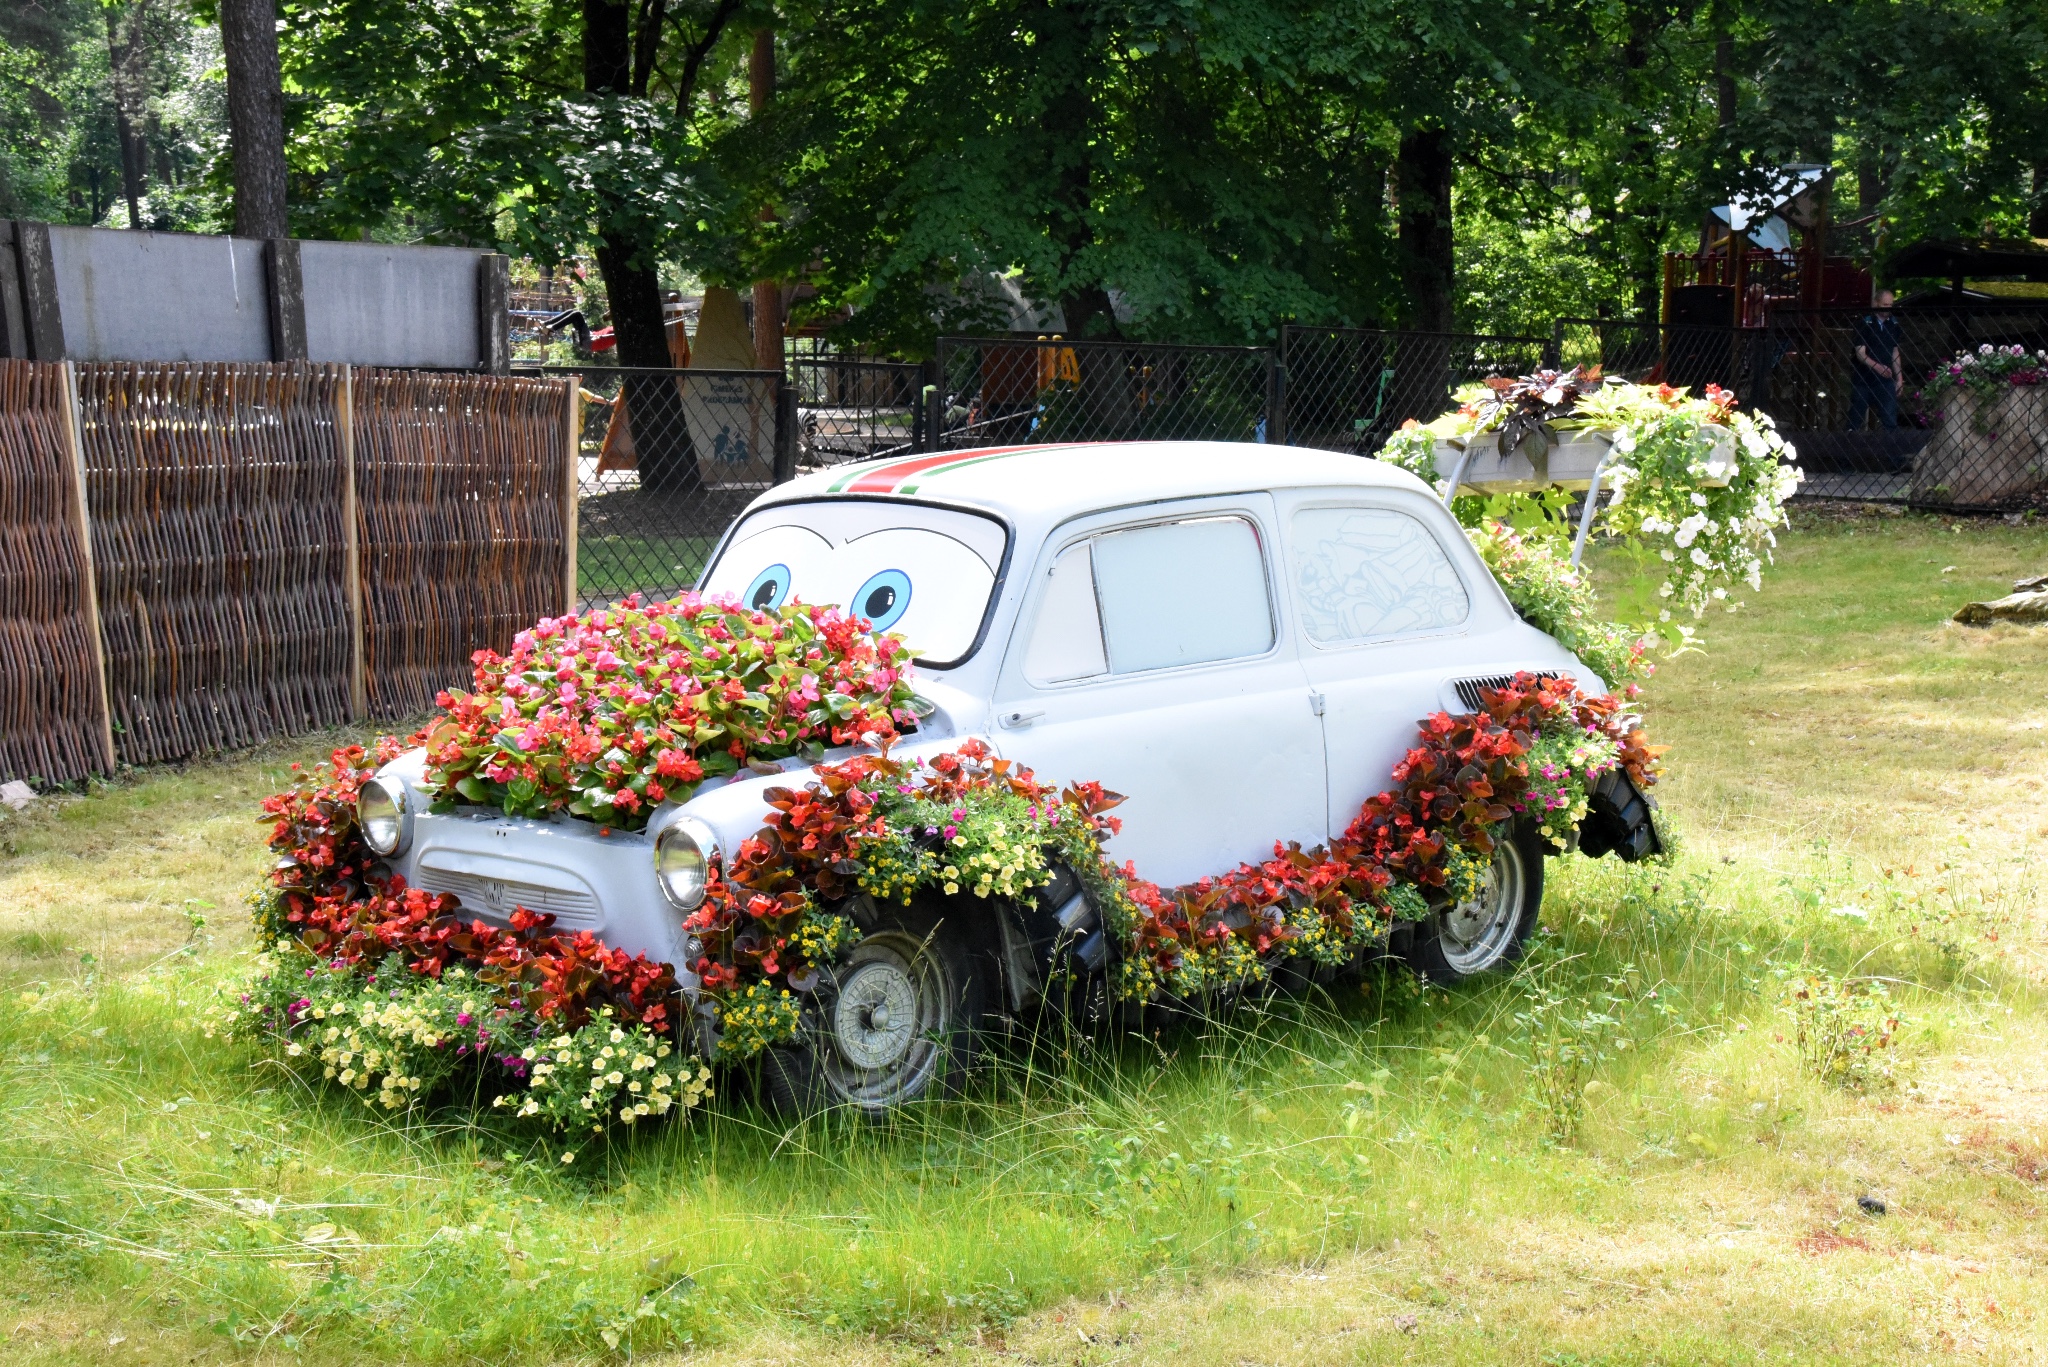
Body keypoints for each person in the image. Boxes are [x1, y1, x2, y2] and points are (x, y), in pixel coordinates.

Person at [1848, 290, 1903, 430]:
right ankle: (1847, 447)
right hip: (1863, 379)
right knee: (1855, 417)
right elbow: (1860, 353)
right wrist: (1878, 367)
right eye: (1885, 305)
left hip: (1885, 380)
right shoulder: (1865, 323)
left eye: (1890, 305)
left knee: (1890, 419)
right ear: (1876, 303)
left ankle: (1891, 449)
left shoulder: (1894, 324)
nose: (1888, 308)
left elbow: (1895, 352)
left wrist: (1900, 379)